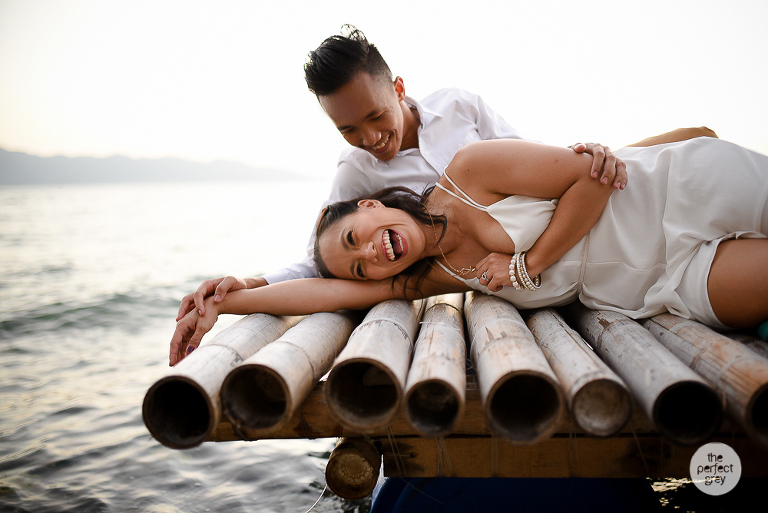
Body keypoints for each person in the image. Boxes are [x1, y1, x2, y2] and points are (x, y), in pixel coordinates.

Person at [169, 135, 768, 365]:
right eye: (361, 265)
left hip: (675, 194)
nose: (372, 256)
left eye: (357, 237)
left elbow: (592, 177)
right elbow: (327, 289)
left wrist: (524, 266)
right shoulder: (433, 276)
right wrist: (232, 301)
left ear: (373, 205)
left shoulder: (470, 170)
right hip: (668, 282)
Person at [175, 25, 631, 322]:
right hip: (495, 283)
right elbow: (324, 260)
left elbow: (535, 166)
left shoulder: (459, 106)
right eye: (348, 128)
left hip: (553, 245)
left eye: (376, 116)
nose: (370, 137)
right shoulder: (356, 173)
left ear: (398, 88)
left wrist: (584, 154)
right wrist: (248, 286)